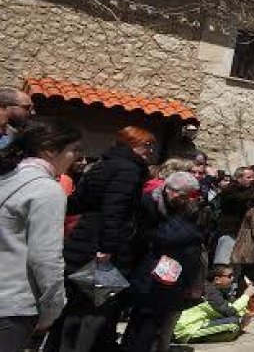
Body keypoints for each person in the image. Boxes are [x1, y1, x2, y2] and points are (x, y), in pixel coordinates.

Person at [54, 126, 154, 352]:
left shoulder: (100, 165)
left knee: (76, 307)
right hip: (103, 250)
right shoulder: (129, 170)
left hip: (83, 239)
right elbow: (115, 211)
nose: (150, 150)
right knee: (95, 310)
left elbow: (77, 202)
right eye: (146, 145)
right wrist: (107, 249)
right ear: (131, 144)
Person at [0, 119, 81, 350]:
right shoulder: (46, 189)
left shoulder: (7, 176)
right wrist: (52, 309)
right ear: (49, 150)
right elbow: (45, 257)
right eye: (73, 150)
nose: (75, 157)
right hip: (12, 305)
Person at [122, 172, 207, 352]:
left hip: (168, 274)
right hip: (150, 273)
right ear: (170, 190)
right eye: (183, 195)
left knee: (150, 321)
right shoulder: (150, 204)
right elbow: (152, 235)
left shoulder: (184, 210)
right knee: (145, 321)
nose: (185, 199)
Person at [172, 265, 254, 344]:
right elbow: (229, 311)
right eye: (230, 276)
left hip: (196, 323)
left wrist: (244, 312)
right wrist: (246, 295)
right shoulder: (211, 293)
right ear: (217, 279)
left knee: (237, 320)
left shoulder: (213, 289)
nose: (233, 278)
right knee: (234, 324)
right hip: (185, 329)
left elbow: (228, 307)